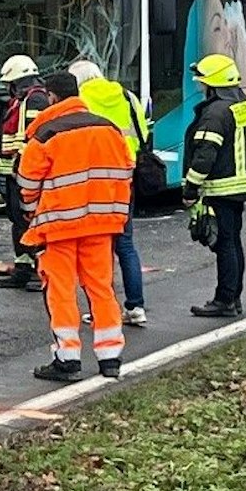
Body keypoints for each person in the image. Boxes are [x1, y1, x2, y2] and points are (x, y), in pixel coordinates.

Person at [17, 71, 134, 382]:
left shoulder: (46, 134)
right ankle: (110, 358)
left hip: (59, 226)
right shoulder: (108, 128)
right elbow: (126, 170)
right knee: (101, 288)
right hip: (101, 224)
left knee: (61, 291)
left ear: (52, 98)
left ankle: (67, 358)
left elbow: (27, 183)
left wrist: (32, 215)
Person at [182, 53, 246, 317]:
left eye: (202, 81)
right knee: (233, 241)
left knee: (225, 243)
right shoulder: (242, 104)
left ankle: (225, 300)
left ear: (213, 83)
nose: (200, 86)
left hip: (222, 187)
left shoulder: (215, 112)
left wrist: (190, 189)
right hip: (240, 185)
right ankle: (233, 297)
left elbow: (205, 154)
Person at [69, 59, 149, 326]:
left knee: (97, 247)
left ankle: (100, 308)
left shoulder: (79, 100)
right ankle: (136, 307)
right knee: (126, 243)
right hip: (125, 177)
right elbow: (143, 133)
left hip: (93, 181)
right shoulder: (127, 96)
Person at [0, 55, 54, 291]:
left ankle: (38, 271)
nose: (9, 89)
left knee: (29, 222)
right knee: (18, 222)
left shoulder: (35, 101)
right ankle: (23, 268)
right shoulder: (22, 101)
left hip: (26, 175)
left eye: (11, 84)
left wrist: (24, 168)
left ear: (20, 81)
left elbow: (33, 139)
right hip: (15, 173)